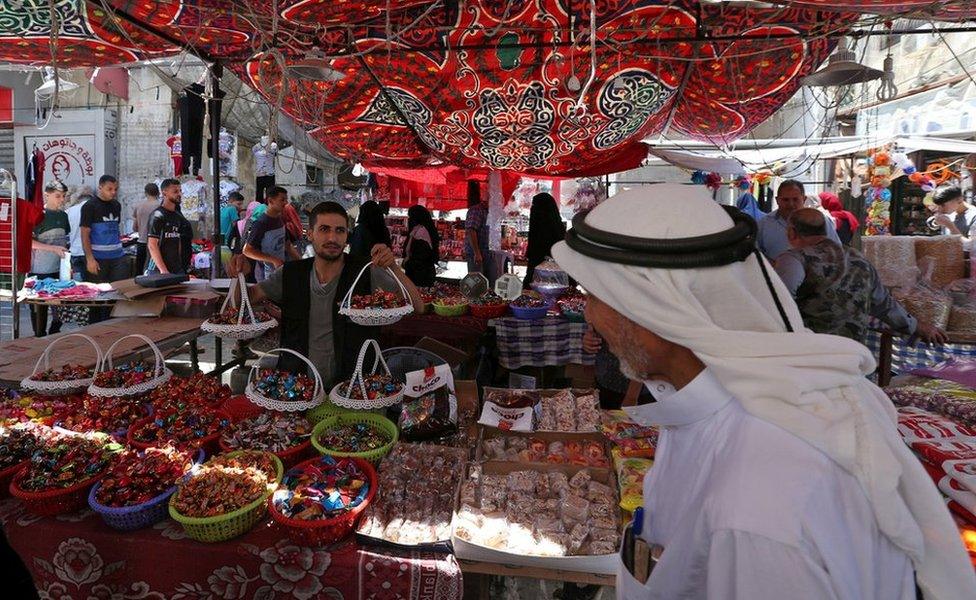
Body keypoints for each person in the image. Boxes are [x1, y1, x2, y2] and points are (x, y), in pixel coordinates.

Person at [550, 184, 975, 599]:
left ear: (647, 307)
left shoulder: (757, 503)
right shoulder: (731, 410)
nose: (589, 314)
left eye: (593, 295)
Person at [230, 201, 424, 386]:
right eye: (324, 229)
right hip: (298, 387)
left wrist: (394, 268)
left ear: (347, 235)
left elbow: (418, 306)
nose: (332, 238)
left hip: (353, 386)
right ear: (310, 234)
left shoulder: (365, 272)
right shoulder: (290, 274)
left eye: (339, 230)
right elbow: (245, 301)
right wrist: (238, 274)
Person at [774, 208, 946, 345]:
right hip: (853, 353)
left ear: (791, 233)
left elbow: (779, 302)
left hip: (810, 351)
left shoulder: (794, 259)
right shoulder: (857, 257)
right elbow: (883, 303)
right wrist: (916, 326)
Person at [81, 175, 128, 322]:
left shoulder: (116, 205)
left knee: (116, 296)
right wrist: (90, 259)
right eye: (109, 189)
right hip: (98, 258)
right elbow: (85, 234)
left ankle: (111, 328)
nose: (113, 192)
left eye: (115, 189)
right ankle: (95, 329)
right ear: (100, 187)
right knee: (97, 298)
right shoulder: (90, 206)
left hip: (117, 257)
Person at [756, 179, 840, 260]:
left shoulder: (821, 221)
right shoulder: (764, 224)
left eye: (795, 199)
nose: (791, 204)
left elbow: (837, 251)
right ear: (777, 200)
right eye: (786, 200)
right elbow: (756, 253)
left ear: (804, 199)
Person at [29, 181, 69, 336]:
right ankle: (38, 337)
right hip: (40, 269)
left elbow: (64, 238)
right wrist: (52, 248)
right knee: (40, 308)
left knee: (59, 307)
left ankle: (54, 331)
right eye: (58, 196)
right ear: (47, 194)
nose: (61, 200)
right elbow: (28, 242)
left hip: (59, 269)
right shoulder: (38, 215)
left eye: (64, 196)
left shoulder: (64, 216)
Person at [243, 186, 302, 281]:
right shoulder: (261, 223)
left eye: (286, 199)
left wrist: (301, 263)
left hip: (279, 272)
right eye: (282, 200)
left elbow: (287, 245)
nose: (286, 203)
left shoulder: (280, 219)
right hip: (265, 276)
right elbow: (247, 250)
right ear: (270, 201)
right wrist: (273, 260)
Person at [145, 179, 193, 275]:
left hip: (176, 268)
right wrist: (163, 270)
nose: (179, 194)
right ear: (164, 193)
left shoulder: (178, 216)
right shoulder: (157, 215)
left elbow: (178, 241)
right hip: (157, 269)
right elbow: (152, 245)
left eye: (180, 191)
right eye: (175, 191)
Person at [522, 192, 566, 288]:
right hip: (557, 274)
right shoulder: (557, 226)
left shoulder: (539, 222)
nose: (532, 208)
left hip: (542, 270)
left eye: (535, 205)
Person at [402, 204, 440, 287]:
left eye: (411, 217)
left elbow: (420, 259)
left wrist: (407, 263)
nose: (409, 219)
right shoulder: (418, 231)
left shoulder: (421, 233)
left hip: (420, 277)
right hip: (421, 275)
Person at [133, 183, 160, 273]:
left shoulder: (138, 206)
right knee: (154, 272)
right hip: (156, 244)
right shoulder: (160, 206)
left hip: (142, 242)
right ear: (158, 193)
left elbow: (135, 227)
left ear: (145, 193)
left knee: (139, 271)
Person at [464, 180, 489, 276]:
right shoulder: (477, 210)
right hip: (476, 253)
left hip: (484, 252)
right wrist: (477, 252)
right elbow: (471, 230)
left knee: (483, 281)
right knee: (477, 281)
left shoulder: (487, 211)